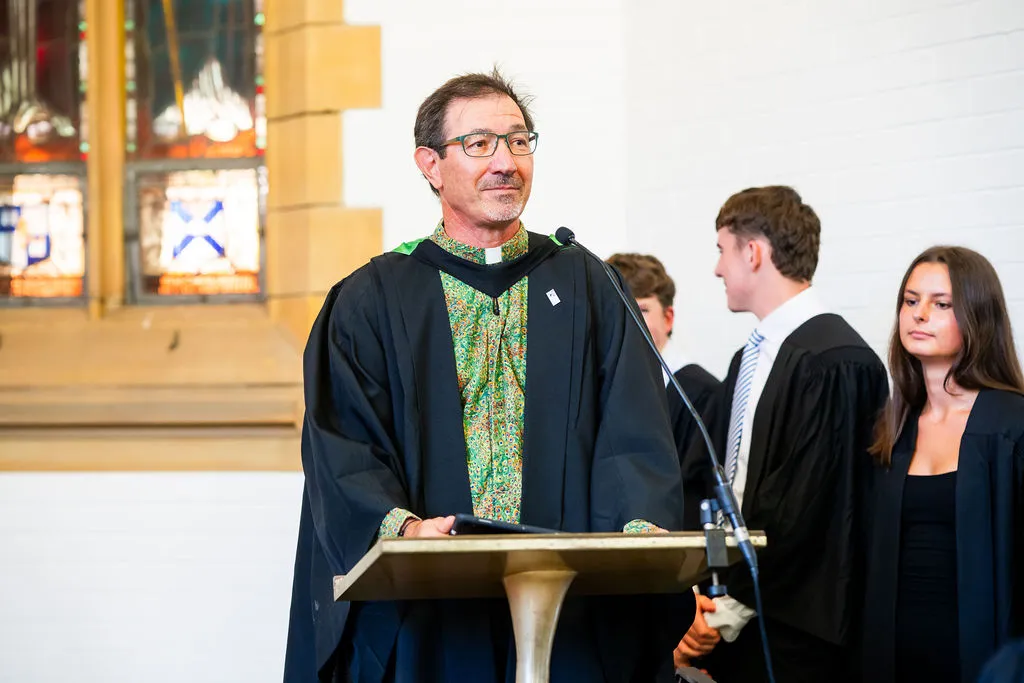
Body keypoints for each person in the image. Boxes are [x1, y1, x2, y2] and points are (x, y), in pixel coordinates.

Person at [282, 69, 693, 683]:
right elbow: (345, 448)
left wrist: (636, 528)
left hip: (571, 611)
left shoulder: (590, 285)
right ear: (430, 164)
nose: (506, 161)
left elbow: (633, 435)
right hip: (433, 618)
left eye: (519, 141)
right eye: (479, 144)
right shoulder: (372, 298)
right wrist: (403, 528)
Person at [675, 186, 889, 682]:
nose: (717, 269)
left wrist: (729, 610)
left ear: (754, 252)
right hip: (746, 614)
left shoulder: (834, 360)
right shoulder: (750, 357)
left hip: (801, 630)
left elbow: (808, 510)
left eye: (722, 251)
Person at [861, 246, 1024, 683]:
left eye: (942, 303)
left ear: (977, 316)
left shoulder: (1011, 426)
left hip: (984, 657)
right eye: (910, 301)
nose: (919, 314)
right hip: (897, 650)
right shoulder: (894, 427)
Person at [606, 252, 720, 527]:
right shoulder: (607, 393)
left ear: (668, 318)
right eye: (622, 309)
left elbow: (696, 495)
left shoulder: (700, 394)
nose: (630, 320)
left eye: (642, 310)